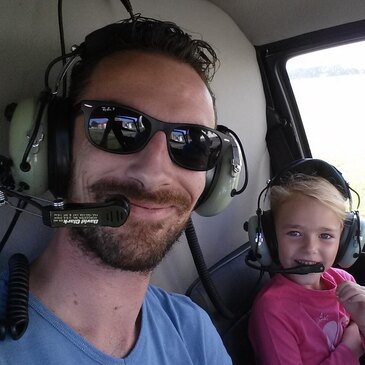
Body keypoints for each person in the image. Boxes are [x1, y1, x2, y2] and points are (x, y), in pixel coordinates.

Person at [0, 14, 233, 364]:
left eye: (192, 142)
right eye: (115, 125)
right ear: (57, 148)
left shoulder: (193, 329)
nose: (154, 173)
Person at [249, 172, 365, 364]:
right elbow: (355, 343)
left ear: (343, 242)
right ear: (271, 239)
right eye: (294, 233)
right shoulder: (273, 309)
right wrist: (351, 347)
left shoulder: (343, 281)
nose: (310, 248)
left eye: (325, 236)